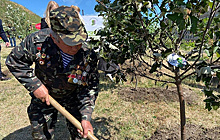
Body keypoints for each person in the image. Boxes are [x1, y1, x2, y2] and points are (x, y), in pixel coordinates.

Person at [6, 6, 99, 140]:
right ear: (54, 38)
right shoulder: (37, 41)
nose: (76, 47)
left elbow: (90, 86)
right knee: (41, 135)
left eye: (79, 40)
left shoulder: (87, 54)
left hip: (73, 96)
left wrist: (86, 116)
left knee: (81, 135)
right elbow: (14, 60)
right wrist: (35, 85)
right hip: (45, 95)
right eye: (70, 42)